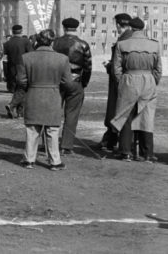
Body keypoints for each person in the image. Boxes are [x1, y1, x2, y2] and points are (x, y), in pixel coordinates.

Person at [17, 29, 74, 171]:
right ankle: (54, 161)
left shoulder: (26, 57)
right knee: (52, 130)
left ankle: (29, 160)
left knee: (32, 129)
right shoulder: (62, 59)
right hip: (53, 96)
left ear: (37, 40)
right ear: (52, 41)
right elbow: (68, 83)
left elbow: (21, 81)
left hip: (33, 94)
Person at [111, 17, 162, 162]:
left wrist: (122, 82)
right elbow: (158, 69)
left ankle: (125, 152)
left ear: (131, 28)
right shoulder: (155, 45)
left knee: (125, 115)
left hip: (129, 80)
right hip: (148, 80)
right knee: (147, 116)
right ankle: (148, 153)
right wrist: (152, 82)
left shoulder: (122, 44)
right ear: (143, 28)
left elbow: (116, 69)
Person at [52, 17, 92, 155]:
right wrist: (84, 83)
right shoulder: (83, 44)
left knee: (53, 113)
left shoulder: (55, 43)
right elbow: (87, 67)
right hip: (75, 80)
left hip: (57, 81)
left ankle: (49, 143)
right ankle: (66, 146)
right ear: (77, 28)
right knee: (72, 114)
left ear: (63, 28)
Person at [99, 13, 132, 152]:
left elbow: (119, 64)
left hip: (119, 80)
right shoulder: (131, 37)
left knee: (115, 109)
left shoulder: (123, 40)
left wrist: (109, 66)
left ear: (118, 24)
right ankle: (112, 139)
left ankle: (111, 140)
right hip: (129, 79)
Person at [4, 24, 34, 118]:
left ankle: (19, 112)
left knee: (18, 89)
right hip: (23, 67)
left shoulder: (8, 43)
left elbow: (5, 56)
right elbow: (31, 54)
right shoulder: (25, 41)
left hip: (11, 69)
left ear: (12, 32)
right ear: (21, 31)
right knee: (24, 89)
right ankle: (13, 106)